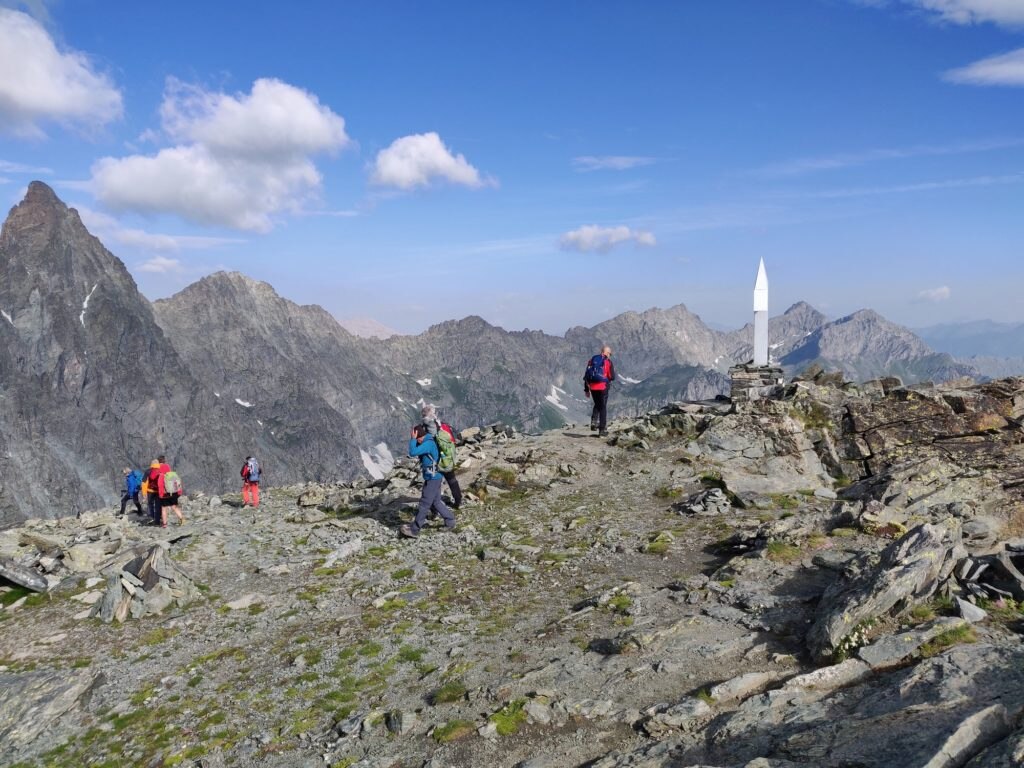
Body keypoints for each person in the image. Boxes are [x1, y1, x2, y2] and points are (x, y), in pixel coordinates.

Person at [400, 424, 456, 538]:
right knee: (436, 501)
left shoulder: (428, 444)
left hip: (432, 478)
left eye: (416, 437)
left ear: (418, 436)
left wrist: (412, 439)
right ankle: (450, 520)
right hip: (436, 476)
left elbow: (412, 452)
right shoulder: (430, 439)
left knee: (424, 503)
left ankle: (414, 530)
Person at [420, 405, 462, 509]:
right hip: (446, 458)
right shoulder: (443, 426)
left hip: (432, 461)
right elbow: (452, 441)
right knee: (452, 480)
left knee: (432, 484)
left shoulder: (423, 428)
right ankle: (458, 501)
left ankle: (434, 509)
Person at [583, 345, 616, 437]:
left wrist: (586, 389)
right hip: (603, 387)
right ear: (607, 353)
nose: (610, 355)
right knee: (603, 408)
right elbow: (612, 377)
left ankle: (593, 422)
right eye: (610, 353)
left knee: (597, 404)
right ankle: (602, 430)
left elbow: (587, 375)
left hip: (593, 387)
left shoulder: (592, 360)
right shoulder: (608, 361)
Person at [144, 459, 167, 526]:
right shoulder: (161, 471)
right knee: (158, 506)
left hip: (150, 491)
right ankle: (157, 521)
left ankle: (152, 517)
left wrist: (144, 493)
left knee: (150, 504)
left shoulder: (148, 471)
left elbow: (144, 483)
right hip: (158, 491)